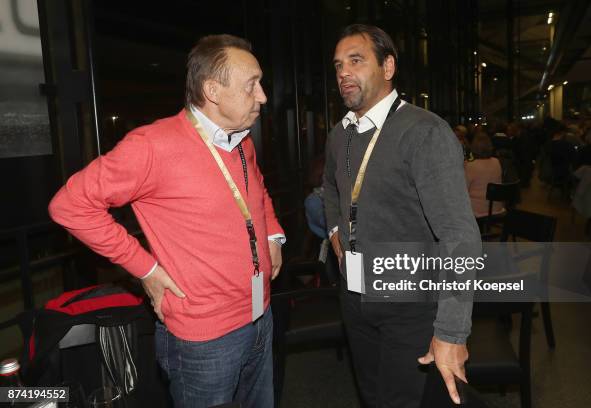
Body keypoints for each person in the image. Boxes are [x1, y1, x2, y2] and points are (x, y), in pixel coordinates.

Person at [48, 34, 284, 408]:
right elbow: (69, 206)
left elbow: (258, 190)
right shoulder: (152, 145)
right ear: (213, 90)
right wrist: (146, 268)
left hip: (261, 314)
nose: (263, 96)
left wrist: (273, 231)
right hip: (205, 337)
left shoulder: (243, 143)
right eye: (252, 85)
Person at [323, 24, 480, 407]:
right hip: (355, 296)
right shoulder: (339, 134)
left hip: (409, 305)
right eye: (339, 65)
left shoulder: (425, 132)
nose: (344, 72)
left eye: (356, 61)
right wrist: (334, 232)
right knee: (373, 396)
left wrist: (452, 332)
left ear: (388, 67)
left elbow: (460, 235)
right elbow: (330, 189)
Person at [464, 131, 504, 219]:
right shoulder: (496, 162)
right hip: (496, 207)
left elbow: (463, 189)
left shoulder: (470, 165)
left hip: (476, 210)